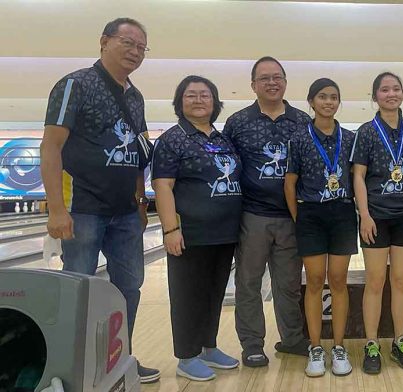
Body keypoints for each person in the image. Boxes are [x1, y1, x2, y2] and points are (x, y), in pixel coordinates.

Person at [40, 17, 159, 383]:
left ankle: (121, 358)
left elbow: (139, 154)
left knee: (129, 289)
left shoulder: (135, 96)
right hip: (83, 208)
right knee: (78, 288)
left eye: (141, 47)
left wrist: (140, 202)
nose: (135, 52)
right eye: (128, 43)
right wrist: (57, 209)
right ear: (104, 41)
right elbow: (51, 146)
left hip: (125, 211)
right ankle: (72, 365)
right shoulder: (75, 85)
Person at [152, 76, 242, 381]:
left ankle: (208, 346)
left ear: (215, 103)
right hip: (191, 232)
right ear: (180, 102)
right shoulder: (172, 139)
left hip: (225, 231)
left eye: (205, 95)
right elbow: (162, 185)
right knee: (187, 294)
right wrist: (170, 230)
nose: (199, 100)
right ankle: (186, 356)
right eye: (191, 95)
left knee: (214, 293)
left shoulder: (222, 138)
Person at [223, 57, 311, 367]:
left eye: (277, 77)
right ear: (253, 85)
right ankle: (252, 344)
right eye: (264, 78)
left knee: (287, 283)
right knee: (248, 282)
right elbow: (225, 166)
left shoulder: (303, 121)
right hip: (252, 215)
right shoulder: (237, 122)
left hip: (291, 215)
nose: (271, 83)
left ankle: (293, 339)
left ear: (285, 82)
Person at [284, 78, 357, 377]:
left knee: (338, 280)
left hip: (342, 213)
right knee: (315, 281)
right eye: (322, 97)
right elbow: (290, 183)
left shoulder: (350, 139)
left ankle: (338, 346)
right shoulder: (299, 139)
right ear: (311, 102)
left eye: (334, 97)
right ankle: (315, 347)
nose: (328, 102)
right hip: (311, 213)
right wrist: (299, 218)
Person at [350, 72, 403, 374]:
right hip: (375, 216)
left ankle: (400, 340)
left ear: (402, 93)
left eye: (395, 88)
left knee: (401, 281)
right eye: (384, 89)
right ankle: (372, 343)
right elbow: (358, 176)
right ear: (375, 96)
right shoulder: (366, 131)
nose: (390, 94)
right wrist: (364, 215)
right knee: (376, 281)